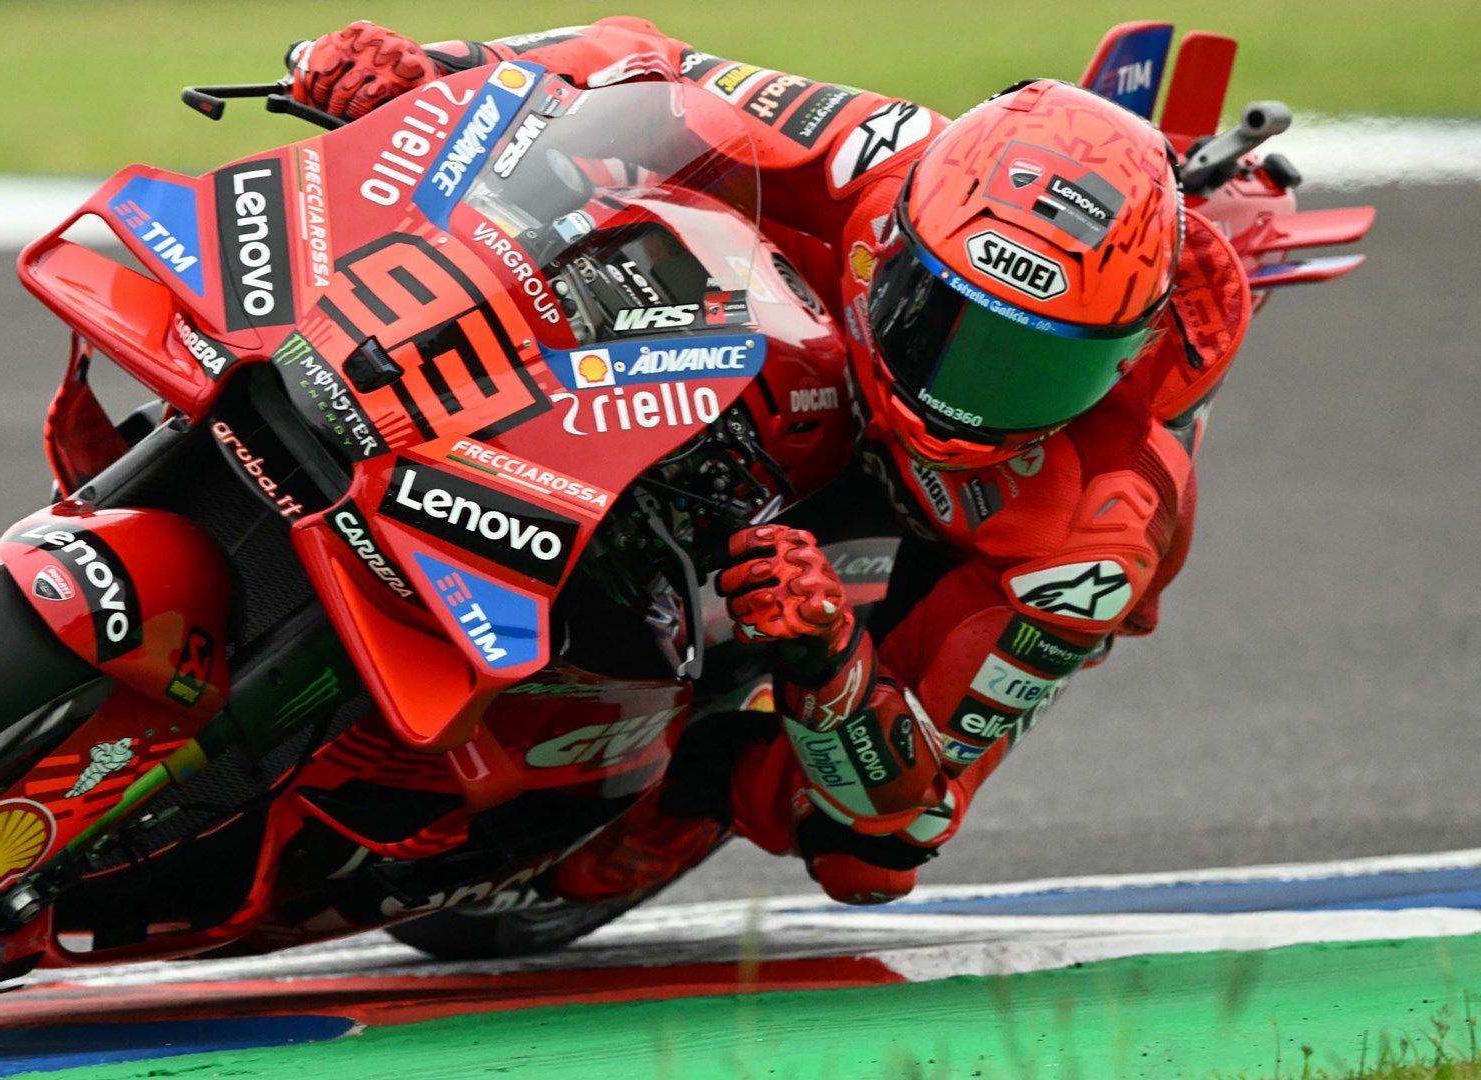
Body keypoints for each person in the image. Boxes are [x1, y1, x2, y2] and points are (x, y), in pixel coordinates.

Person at [287, 18, 1252, 904]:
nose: (964, 395)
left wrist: (828, 661)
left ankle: (680, 787)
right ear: (902, 236)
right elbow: (645, 70)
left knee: (865, 858)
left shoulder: (1099, 531)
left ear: (1123, 354)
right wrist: (437, 73)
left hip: (940, 538)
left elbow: (908, 804)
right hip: (764, 338)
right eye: (942, 318)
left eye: (1033, 369)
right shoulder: (887, 153)